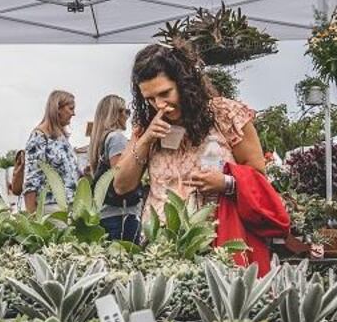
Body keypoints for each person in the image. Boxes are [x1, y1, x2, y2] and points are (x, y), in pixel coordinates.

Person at [113, 42, 268, 220]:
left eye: (165, 93)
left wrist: (225, 183)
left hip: (219, 238)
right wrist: (146, 140)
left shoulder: (225, 115)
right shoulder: (146, 127)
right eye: (150, 99)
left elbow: (259, 179)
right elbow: (121, 186)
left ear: (183, 83)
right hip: (162, 243)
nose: (159, 105)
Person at [86, 94, 143, 241]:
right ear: (116, 114)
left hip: (105, 213)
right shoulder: (116, 138)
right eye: (126, 112)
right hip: (121, 214)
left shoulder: (100, 140)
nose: (128, 116)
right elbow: (121, 176)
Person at [22, 89, 80, 212]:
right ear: (57, 108)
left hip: (70, 207)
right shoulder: (39, 137)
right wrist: (32, 218)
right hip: (52, 210)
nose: (73, 113)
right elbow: (31, 181)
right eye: (70, 108)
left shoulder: (61, 137)